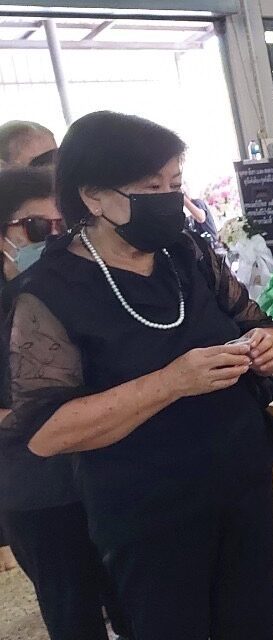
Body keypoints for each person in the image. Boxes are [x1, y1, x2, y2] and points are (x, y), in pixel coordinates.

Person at [6, 111, 273, 639]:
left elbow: (253, 320)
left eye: (175, 184)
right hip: (148, 509)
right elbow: (47, 432)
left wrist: (263, 344)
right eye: (150, 188)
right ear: (93, 196)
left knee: (251, 623)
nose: (168, 199)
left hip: (239, 479)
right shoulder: (50, 293)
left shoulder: (186, 254)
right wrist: (171, 382)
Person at [0, 167, 135, 640]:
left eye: (66, 226)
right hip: (41, 493)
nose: (55, 238)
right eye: (38, 227)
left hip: (110, 476)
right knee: (74, 616)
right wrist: (49, 421)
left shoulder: (86, 287)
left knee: (136, 608)